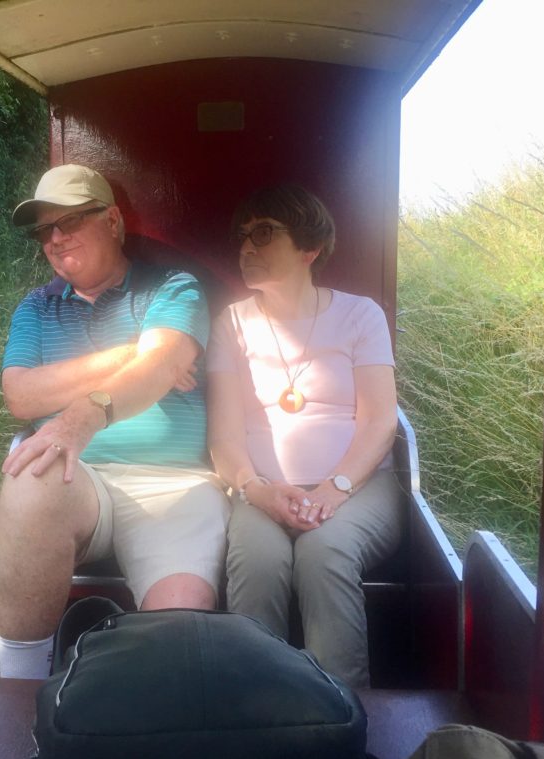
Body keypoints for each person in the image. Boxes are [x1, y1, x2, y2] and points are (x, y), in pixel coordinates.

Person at [0, 164, 229, 679]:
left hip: (174, 485)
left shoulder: (172, 288)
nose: (55, 239)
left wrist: (87, 411)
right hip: (82, 480)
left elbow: (162, 364)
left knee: (180, 629)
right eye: (44, 229)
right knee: (30, 473)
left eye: (70, 221)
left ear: (114, 221)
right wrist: (134, 352)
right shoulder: (36, 308)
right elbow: (21, 396)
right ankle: (18, 686)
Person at [206, 184, 404, 689]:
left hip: (358, 487)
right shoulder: (232, 323)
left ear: (310, 249)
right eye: (244, 235)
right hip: (261, 487)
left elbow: (381, 421)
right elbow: (224, 437)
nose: (247, 246)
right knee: (256, 559)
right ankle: (255, 712)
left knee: (325, 552)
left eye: (265, 233)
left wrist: (333, 489)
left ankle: (338, 715)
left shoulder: (360, 315)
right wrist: (258, 490)